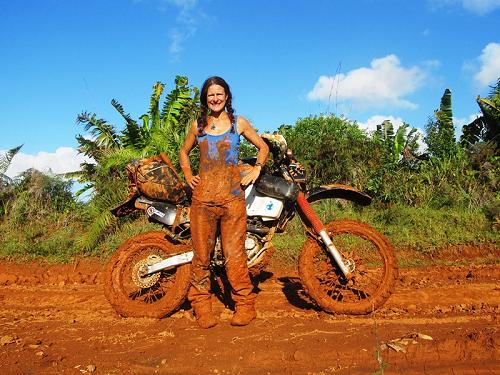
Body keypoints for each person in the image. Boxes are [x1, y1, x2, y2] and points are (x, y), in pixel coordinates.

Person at [179, 76, 269, 328]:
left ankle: (244, 306)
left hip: (232, 201)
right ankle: (202, 308)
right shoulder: (197, 125)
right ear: (205, 99)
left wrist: (257, 169)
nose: (215, 98)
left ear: (227, 96)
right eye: (210, 95)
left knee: (234, 255)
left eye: (219, 94)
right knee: (202, 257)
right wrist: (188, 175)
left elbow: (263, 147)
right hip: (203, 201)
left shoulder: (238, 123)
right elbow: (183, 152)